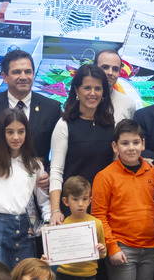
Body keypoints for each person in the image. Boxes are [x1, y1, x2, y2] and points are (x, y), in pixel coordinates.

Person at [92, 119, 154, 280]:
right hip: (122, 248)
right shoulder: (105, 176)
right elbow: (99, 216)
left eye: (135, 142)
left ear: (143, 144)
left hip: (151, 247)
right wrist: (112, 248)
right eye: (125, 143)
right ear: (115, 147)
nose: (131, 147)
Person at [0, 109, 51, 268]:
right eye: (10, 132)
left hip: (27, 230)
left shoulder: (35, 165)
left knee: (23, 279)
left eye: (20, 132)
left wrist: (49, 221)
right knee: (0, 279)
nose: (16, 137)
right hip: (0, 229)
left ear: (27, 133)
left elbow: (43, 200)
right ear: (2, 134)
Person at [48, 64, 116, 221]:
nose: (93, 93)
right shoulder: (64, 124)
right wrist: (55, 210)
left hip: (104, 209)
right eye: (87, 88)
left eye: (98, 89)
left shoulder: (112, 124)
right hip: (72, 210)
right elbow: (57, 172)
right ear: (77, 90)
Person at [0, 49, 61, 166]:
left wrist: (48, 174)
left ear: (34, 74)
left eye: (28, 72)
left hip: (38, 181)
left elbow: (60, 152)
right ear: (5, 77)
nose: (23, 77)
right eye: (17, 72)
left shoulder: (52, 108)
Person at [46, 176, 106, 280]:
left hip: (88, 279)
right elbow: (54, 253)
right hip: (65, 278)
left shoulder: (96, 224)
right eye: (75, 199)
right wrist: (49, 258)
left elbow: (103, 251)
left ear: (90, 200)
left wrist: (101, 251)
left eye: (84, 199)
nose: (80, 203)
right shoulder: (62, 225)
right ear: (65, 201)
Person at [94, 48, 139, 122]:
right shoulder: (81, 99)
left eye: (115, 69)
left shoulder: (128, 104)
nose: (110, 73)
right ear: (94, 68)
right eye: (105, 67)